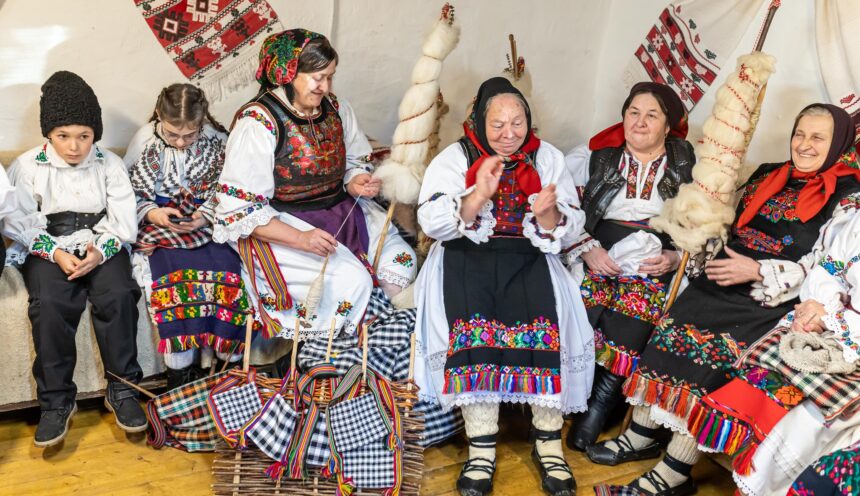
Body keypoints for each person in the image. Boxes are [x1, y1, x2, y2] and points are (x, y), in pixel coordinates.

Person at [587, 103, 860, 495]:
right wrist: (705, 241)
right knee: (671, 327)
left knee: (715, 356)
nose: (804, 144)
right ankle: (640, 436)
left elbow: (822, 266)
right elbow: (729, 224)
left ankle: (675, 472)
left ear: (839, 144)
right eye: (800, 133)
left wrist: (758, 271)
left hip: (770, 296)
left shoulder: (848, 197)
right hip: (723, 276)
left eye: (818, 137)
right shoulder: (768, 174)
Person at [414, 76, 593, 496]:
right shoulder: (455, 158)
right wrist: (477, 197)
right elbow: (432, 221)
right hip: (466, 258)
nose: (509, 134)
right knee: (474, 336)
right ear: (480, 121)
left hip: (530, 258)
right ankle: (481, 450)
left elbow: (569, 226)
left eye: (517, 123)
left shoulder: (546, 157)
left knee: (547, 331)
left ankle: (548, 445)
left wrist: (549, 216)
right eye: (497, 125)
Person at [213, 29, 416, 340]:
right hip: (284, 224)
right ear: (287, 74)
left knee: (400, 264)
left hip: (343, 212)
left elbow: (355, 159)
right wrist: (300, 238)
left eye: (330, 77)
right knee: (352, 282)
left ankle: (384, 345)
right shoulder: (258, 123)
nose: (325, 87)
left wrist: (355, 180)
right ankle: (334, 354)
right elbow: (241, 209)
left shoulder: (336, 108)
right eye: (317, 77)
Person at [5, 71, 145, 447]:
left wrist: (100, 252)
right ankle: (56, 401)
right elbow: (18, 221)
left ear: (94, 133)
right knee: (50, 303)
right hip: (49, 245)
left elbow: (123, 220)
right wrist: (55, 252)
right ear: (48, 133)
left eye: (84, 136)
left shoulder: (109, 164)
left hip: (100, 242)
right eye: (63, 136)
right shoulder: (28, 166)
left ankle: (124, 388)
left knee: (118, 294)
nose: (74, 146)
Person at [688, 212, 860, 495]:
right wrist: (820, 308)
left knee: (809, 421)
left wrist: (832, 319)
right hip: (835, 323)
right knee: (763, 372)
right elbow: (831, 269)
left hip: (849, 337)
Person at [564, 82, 695, 451]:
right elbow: (566, 211)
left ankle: (599, 404)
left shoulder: (689, 166)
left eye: (651, 115)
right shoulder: (595, 158)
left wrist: (674, 258)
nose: (640, 122)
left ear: (668, 126)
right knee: (582, 300)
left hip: (655, 253)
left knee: (639, 305)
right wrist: (586, 248)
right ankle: (572, 395)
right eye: (633, 113)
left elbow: (706, 227)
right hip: (599, 246)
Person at [124, 83, 251, 390]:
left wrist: (204, 215)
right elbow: (126, 192)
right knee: (174, 278)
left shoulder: (217, 139)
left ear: (202, 121)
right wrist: (154, 214)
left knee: (227, 272)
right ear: (159, 115)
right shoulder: (144, 140)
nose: (181, 142)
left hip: (207, 220)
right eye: (172, 134)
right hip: (159, 221)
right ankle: (179, 376)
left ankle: (227, 371)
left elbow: (230, 188)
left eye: (190, 135)